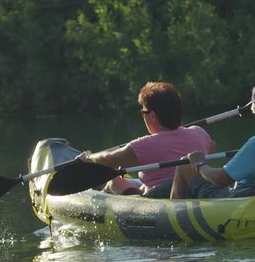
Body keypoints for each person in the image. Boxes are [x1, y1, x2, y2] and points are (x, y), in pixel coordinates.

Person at [77, 82, 215, 198]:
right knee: (136, 182)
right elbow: (212, 147)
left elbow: (108, 160)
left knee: (114, 182)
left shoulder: (144, 145)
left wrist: (89, 158)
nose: (143, 116)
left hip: (161, 196)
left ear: (153, 116)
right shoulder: (199, 133)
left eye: (143, 112)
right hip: (194, 190)